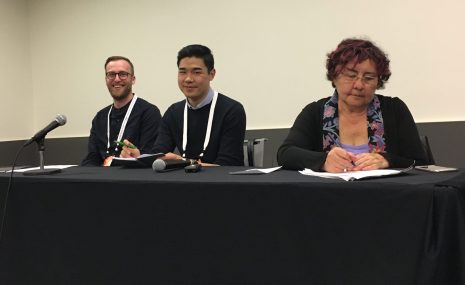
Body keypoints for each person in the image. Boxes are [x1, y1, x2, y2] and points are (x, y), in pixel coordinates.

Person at [277, 38, 428, 172]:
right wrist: (323, 161)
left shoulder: (394, 109)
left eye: (368, 78)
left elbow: (421, 163)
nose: (359, 85)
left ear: (378, 82)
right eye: (351, 75)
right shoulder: (315, 111)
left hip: (386, 197)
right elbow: (285, 154)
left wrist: (387, 160)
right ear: (334, 77)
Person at [121, 44, 246, 166]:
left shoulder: (232, 110)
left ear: (212, 74)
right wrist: (140, 157)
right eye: (183, 72)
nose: (188, 79)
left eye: (196, 72)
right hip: (183, 183)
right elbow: (159, 152)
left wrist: (182, 162)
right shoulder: (173, 112)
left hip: (222, 184)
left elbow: (227, 166)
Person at [81, 56, 162, 166]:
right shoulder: (100, 117)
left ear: (133, 79)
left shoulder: (149, 113)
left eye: (123, 74)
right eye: (111, 74)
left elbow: (149, 157)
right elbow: (92, 157)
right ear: (106, 79)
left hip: (131, 178)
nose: (117, 79)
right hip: (101, 178)